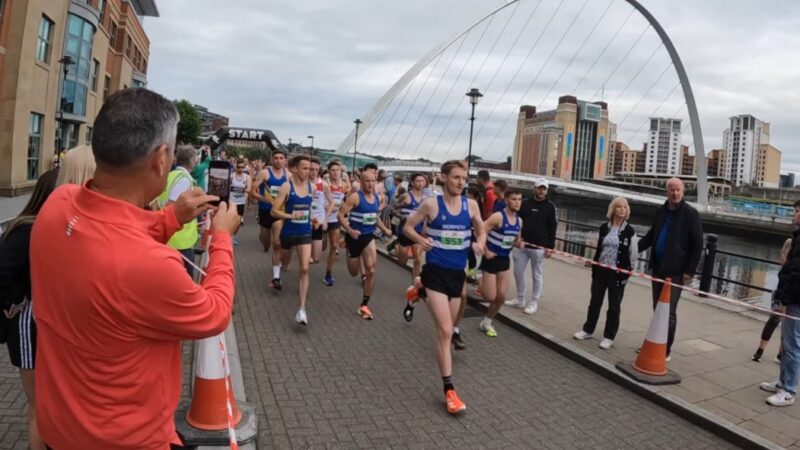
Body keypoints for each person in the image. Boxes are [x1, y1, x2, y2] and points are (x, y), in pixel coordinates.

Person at [30, 88, 239, 450]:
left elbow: (111, 228)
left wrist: (171, 217)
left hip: (59, 429)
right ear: (161, 159)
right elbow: (214, 313)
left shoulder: (58, 205)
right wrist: (220, 239)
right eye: (173, 151)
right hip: (127, 439)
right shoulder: (150, 265)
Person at [404, 160, 486, 415]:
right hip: (435, 273)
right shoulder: (431, 204)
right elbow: (407, 227)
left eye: (464, 178)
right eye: (456, 177)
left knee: (448, 330)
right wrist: (420, 239)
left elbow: (481, 229)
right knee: (445, 330)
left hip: (456, 276)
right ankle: (449, 390)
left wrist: (479, 243)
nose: (461, 182)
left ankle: (416, 293)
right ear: (443, 178)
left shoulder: (471, 205)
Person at [0, 169, 58, 450]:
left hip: (46, 323)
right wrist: (13, 302)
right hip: (28, 323)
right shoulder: (29, 228)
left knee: (48, 404)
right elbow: (4, 271)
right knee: (39, 406)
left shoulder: (48, 226)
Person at [637, 177, 703, 359]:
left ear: (683, 192)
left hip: (676, 272)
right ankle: (654, 343)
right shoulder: (660, 212)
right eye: (671, 190)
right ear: (666, 192)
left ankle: (665, 350)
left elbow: (698, 244)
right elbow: (651, 236)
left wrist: (689, 271)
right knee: (657, 308)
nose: (675, 193)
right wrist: (633, 248)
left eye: (678, 190)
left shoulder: (691, 214)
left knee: (669, 311)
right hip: (658, 268)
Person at [573, 197, 638, 349]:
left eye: (624, 207)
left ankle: (609, 336)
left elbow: (633, 253)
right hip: (601, 270)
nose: (622, 209)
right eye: (619, 207)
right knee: (595, 301)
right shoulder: (604, 227)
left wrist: (628, 271)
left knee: (614, 306)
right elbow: (600, 248)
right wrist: (593, 262)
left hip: (617, 273)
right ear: (613, 209)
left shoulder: (629, 231)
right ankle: (587, 330)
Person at [760, 200, 800, 406]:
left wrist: (785, 299)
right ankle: (783, 382)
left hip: (795, 301)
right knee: (787, 344)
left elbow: (796, 274)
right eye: (796, 210)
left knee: (792, 346)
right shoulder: (798, 238)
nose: (796, 214)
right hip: (791, 298)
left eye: (798, 211)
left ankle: (789, 390)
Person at [338, 168, 393, 320]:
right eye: (367, 181)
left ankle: (364, 305)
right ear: (361, 182)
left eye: (372, 181)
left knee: (371, 270)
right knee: (353, 272)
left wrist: (385, 229)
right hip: (354, 239)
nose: (370, 184)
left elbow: (375, 217)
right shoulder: (355, 197)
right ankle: (348, 248)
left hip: (368, 237)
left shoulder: (376, 197)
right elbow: (340, 216)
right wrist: (349, 230)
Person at [272, 155, 315, 325]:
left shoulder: (312, 188)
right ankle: (276, 273)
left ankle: (302, 309)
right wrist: (291, 215)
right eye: (305, 168)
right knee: (285, 263)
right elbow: (274, 211)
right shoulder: (286, 187)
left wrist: (312, 220)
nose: (309, 171)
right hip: (288, 233)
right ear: (295, 169)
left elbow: (310, 209)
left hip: (305, 233)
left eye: (310, 168)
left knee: (304, 269)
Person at [506, 178, 557, 315]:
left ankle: (534, 302)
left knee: (537, 275)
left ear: (546, 190)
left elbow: (553, 227)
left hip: (539, 247)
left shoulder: (550, 206)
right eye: (539, 188)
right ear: (534, 189)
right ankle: (520, 298)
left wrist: (550, 247)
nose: (541, 191)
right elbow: (518, 221)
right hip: (522, 245)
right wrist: (517, 239)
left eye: (544, 189)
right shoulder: (525, 203)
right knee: (517, 272)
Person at [478, 189, 523, 338]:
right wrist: (485, 251)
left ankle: (487, 322)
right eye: (514, 199)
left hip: (504, 260)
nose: (517, 202)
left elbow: (515, 240)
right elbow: (479, 231)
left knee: (501, 296)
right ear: (506, 200)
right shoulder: (498, 217)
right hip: (491, 258)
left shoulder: (519, 221)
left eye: (519, 199)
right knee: (490, 297)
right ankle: (479, 275)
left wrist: (518, 244)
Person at [155, 145, 200, 276]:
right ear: (192, 161)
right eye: (195, 158)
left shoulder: (171, 175)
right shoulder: (183, 179)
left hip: (169, 238)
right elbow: (172, 206)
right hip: (180, 242)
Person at [251, 150, 288, 289]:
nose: (278, 160)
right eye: (276, 158)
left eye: (281, 158)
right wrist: (262, 198)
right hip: (265, 211)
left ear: (285, 160)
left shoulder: (288, 176)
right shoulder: (265, 173)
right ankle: (265, 244)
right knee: (266, 241)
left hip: (279, 212)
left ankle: (276, 277)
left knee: (277, 243)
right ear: (272, 159)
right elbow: (252, 190)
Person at [753, 237, 793, 362]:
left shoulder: (789, 242)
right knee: (784, 321)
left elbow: (782, 261)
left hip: (784, 287)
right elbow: (783, 261)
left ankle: (762, 351)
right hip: (788, 289)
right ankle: (775, 353)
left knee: (777, 320)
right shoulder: (790, 243)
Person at [397, 173, 427, 321]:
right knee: (402, 261)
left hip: (417, 233)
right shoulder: (406, 197)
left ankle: (414, 288)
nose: (420, 183)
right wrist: (401, 216)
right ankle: (395, 246)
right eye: (417, 181)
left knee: (417, 259)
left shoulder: (426, 200)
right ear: (412, 183)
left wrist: (426, 230)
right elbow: (392, 207)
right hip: (403, 232)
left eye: (422, 181)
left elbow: (428, 216)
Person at [323, 161, 347, 286]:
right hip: (323, 218)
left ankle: (328, 274)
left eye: (338, 170)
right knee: (322, 247)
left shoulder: (343, 185)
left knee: (333, 246)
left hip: (335, 219)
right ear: (328, 171)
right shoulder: (324, 184)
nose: (336, 172)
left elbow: (342, 200)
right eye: (333, 170)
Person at [309, 158, 334, 265]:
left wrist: (325, 220)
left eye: (316, 170)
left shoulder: (323, 185)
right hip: (304, 221)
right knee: (306, 259)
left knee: (316, 259)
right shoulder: (302, 183)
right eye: (311, 169)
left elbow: (332, 203)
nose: (313, 172)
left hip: (318, 221)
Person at [230, 158, 251, 245]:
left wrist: (243, 190)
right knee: (231, 219)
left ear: (244, 167)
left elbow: (249, 189)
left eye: (242, 167)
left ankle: (233, 235)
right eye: (238, 167)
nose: (240, 169)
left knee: (238, 221)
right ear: (236, 167)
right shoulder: (231, 176)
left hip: (241, 202)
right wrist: (232, 188)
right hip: (231, 201)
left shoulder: (247, 177)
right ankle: (229, 236)